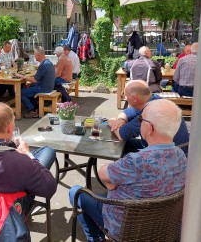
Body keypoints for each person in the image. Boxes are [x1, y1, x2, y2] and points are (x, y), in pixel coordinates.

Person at [69, 99, 187, 241]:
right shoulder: (182, 156)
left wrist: (112, 184)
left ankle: (96, 239)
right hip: (164, 226)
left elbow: (102, 174)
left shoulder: (136, 161)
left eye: (140, 119)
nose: (139, 122)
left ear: (149, 127)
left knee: (75, 192)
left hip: (125, 227)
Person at [108, 80, 189, 155]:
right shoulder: (151, 99)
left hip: (167, 157)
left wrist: (112, 122)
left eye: (126, 95)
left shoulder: (151, 113)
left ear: (135, 98)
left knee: (118, 154)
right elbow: (125, 113)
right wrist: (121, 120)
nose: (125, 98)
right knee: (123, 145)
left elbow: (121, 135)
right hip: (160, 148)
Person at [17, 46, 55, 118]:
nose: (34, 56)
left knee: (20, 93)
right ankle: (36, 107)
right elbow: (39, 78)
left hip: (43, 88)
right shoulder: (48, 62)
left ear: (38, 54)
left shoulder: (43, 65)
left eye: (34, 54)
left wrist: (23, 76)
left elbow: (35, 79)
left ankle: (33, 110)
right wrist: (31, 83)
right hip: (48, 86)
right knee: (28, 88)